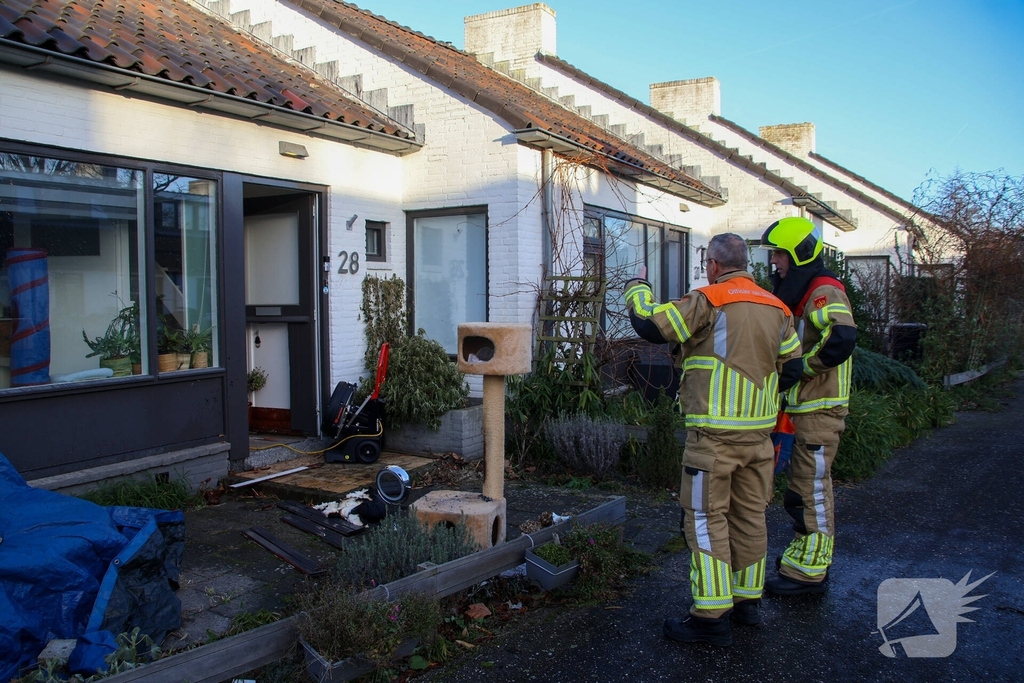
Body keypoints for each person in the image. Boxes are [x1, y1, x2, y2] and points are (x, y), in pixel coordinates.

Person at [624, 233, 802, 646]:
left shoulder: (710, 299)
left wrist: (638, 290)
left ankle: (710, 616)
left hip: (713, 439)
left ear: (714, 265)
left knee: (704, 520)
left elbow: (653, 325)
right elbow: (792, 368)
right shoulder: (778, 308)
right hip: (758, 438)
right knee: (750, 517)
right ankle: (747, 603)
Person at [759, 216, 857, 596]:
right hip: (805, 409)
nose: (774, 263)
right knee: (802, 489)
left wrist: (803, 371)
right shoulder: (805, 290)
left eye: (780, 255)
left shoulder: (823, 290)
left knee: (810, 491)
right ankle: (806, 560)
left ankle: (809, 574)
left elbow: (842, 338)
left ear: (798, 255)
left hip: (820, 409)